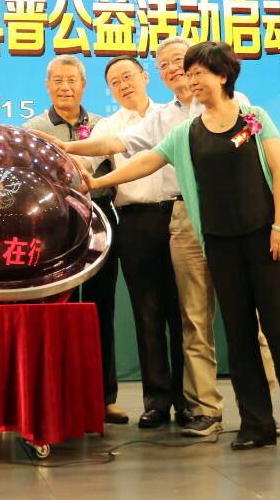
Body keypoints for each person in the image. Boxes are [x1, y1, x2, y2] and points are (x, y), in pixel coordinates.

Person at [88, 42, 280, 450]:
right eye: (188, 72)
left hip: (266, 239)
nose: (190, 79)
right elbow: (142, 161)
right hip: (220, 243)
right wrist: (96, 181)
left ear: (223, 76)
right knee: (239, 334)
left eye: (199, 72)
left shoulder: (252, 117)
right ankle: (256, 425)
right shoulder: (187, 132)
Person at [56, 36, 275, 438]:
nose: (177, 71)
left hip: (235, 219)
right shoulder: (166, 121)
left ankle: (261, 413)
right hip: (180, 220)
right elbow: (129, 150)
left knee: (247, 318)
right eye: (168, 65)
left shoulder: (239, 106)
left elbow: (257, 153)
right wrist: (71, 150)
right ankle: (204, 409)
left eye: (184, 63)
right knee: (192, 320)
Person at [87, 55, 189, 428]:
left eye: (128, 76)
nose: (123, 85)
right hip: (134, 222)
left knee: (184, 313)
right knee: (147, 314)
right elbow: (86, 166)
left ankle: (188, 400)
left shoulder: (174, 113)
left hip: (179, 215)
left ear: (146, 77)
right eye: (115, 82)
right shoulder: (107, 128)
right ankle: (157, 400)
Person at [22, 54, 124, 424]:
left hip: (98, 220)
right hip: (53, 227)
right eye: (58, 81)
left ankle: (104, 397)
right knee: (54, 309)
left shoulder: (103, 125)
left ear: (84, 85)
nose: (65, 87)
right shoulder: (32, 128)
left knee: (100, 308)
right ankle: (54, 396)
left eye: (72, 80)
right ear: (47, 86)